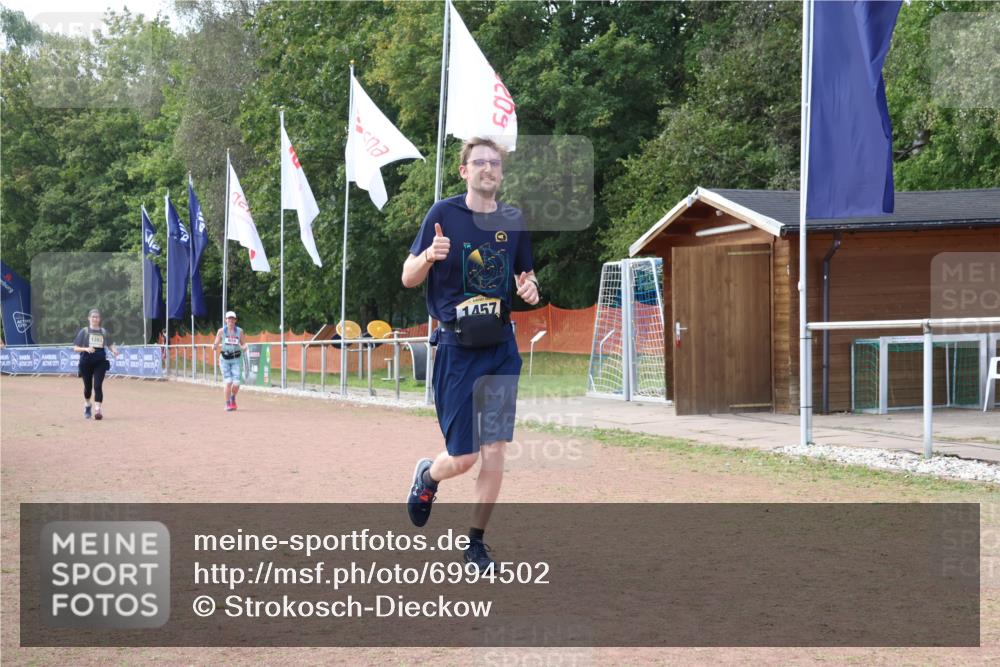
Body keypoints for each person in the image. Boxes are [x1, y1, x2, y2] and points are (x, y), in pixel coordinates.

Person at [401, 137, 540, 572]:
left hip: (500, 348)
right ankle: (427, 476)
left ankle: (474, 545)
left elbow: (526, 276)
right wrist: (428, 255)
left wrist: (530, 289)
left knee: (495, 451)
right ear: (464, 171)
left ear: (501, 172)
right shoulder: (442, 215)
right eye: (479, 162)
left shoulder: (512, 220)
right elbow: (408, 277)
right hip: (457, 352)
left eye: (494, 163)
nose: (488, 169)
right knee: (463, 458)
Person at [72, 308, 120, 421]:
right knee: (88, 388)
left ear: (100, 319)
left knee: (98, 386)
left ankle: (98, 410)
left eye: (97, 317)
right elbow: (75, 348)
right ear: (89, 318)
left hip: (100, 362)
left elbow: (110, 344)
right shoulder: (84, 331)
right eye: (93, 317)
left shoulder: (103, 332)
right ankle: (88, 405)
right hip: (86, 362)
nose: (95, 319)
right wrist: (86, 349)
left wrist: (114, 350)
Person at [213, 311, 247, 411]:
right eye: (229, 319)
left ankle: (233, 398)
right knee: (228, 382)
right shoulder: (221, 331)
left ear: (235, 320)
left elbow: (243, 343)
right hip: (225, 359)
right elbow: (216, 342)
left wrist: (244, 347)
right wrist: (214, 346)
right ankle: (227, 404)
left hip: (236, 359)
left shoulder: (240, 331)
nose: (231, 320)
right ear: (225, 320)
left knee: (236, 383)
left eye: (233, 319)